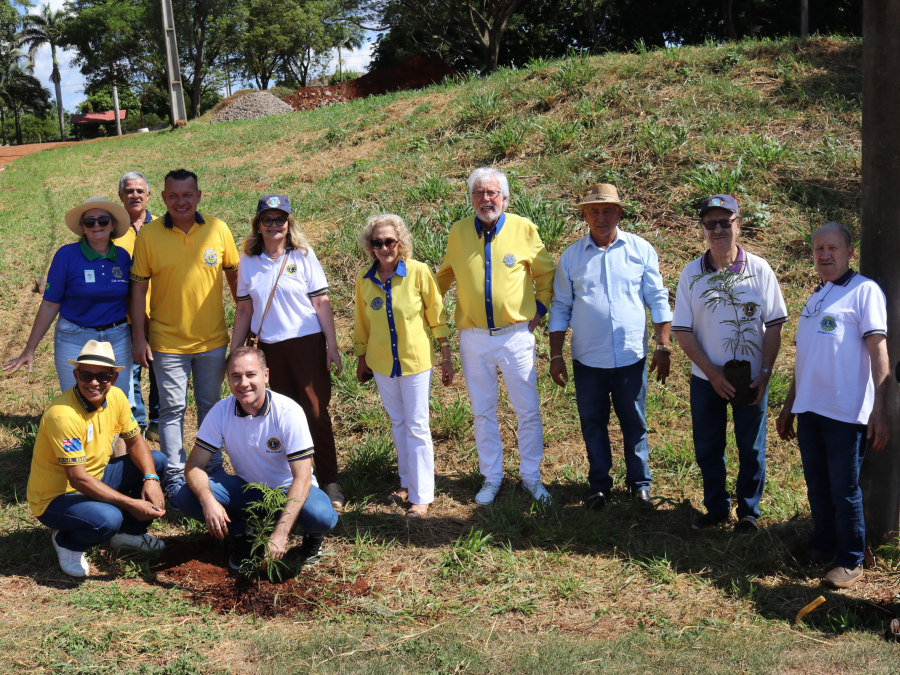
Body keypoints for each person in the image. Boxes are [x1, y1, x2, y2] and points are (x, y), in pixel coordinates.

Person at [776, 222, 889, 589]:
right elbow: (805, 358)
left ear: (849, 252)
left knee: (843, 489)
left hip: (845, 412)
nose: (824, 255)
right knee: (817, 485)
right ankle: (822, 546)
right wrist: (790, 405)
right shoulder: (816, 297)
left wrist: (879, 408)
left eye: (832, 248)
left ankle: (851, 560)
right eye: (818, 249)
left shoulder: (864, 292)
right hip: (811, 409)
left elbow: (878, 352)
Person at [435, 167, 556, 506]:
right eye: (478, 193)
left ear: (504, 198)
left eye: (492, 193)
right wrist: (419, 302)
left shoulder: (523, 228)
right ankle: (492, 477)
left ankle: (531, 477)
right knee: (483, 411)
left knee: (527, 410)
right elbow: (443, 277)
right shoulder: (458, 232)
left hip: (515, 335)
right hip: (473, 338)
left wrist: (541, 310)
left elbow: (546, 273)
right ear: (471, 198)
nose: (485, 199)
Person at [548, 184, 672, 512]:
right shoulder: (572, 257)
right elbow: (560, 307)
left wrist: (663, 345)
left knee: (634, 421)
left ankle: (640, 485)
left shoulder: (640, 250)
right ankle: (599, 485)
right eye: (593, 211)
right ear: (584, 216)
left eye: (607, 210)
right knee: (593, 423)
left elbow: (657, 297)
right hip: (588, 360)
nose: (601, 217)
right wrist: (556, 355)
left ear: (619, 213)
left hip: (631, 356)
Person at [672, 194, 788, 535]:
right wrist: (712, 372)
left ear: (739, 224)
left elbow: (775, 325)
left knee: (751, 446)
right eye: (711, 224)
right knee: (708, 445)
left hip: (751, 378)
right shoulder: (691, 273)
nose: (718, 229)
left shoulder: (760, 270)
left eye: (726, 222)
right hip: (707, 379)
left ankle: (749, 512)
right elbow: (681, 330)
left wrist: (765, 373)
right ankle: (717, 508)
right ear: (703, 230)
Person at [175, 347, 339, 571]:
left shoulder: (288, 412)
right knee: (186, 496)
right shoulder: (220, 411)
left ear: (266, 375)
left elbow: (302, 477)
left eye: (251, 374)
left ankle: (312, 537)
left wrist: (280, 533)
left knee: (321, 516)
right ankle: (243, 533)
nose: (244, 383)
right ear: (228, 379)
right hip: (248, 489)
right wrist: (208, 501)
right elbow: (194, 465)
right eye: (236, 376)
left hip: (288, 490)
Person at [130, 169, 240, 501]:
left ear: (199, 196)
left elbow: (237, 282)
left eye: (187, 195)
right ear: (163, 198)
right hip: (167, 342)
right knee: (172, 410)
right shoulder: (149, 235)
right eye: (174, 195)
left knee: (212, 406)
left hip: (213, 341)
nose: (181, 201)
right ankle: (176, 476)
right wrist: (139, 336)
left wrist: (248, 328)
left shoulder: (218, 230)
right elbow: (137, 291)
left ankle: (213, 467)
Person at [230, 195, 345, 509]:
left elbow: (321, 303)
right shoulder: (249, 260)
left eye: (280, 219)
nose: (274, 225)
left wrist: (331, 347)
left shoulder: (303, 255)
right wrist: (234, 354)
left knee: (316, 413)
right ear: (258, 225)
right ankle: (293, 482)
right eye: (267, 219)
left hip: (307, 343)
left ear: (289, 222)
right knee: (280, 417)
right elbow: (244, 310)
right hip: (269, 348)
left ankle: (330, 480)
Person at [26, 340, 167, 578]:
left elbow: (134, 441)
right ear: (75, 374)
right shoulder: (63, 415)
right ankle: (67, 541)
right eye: (86, 375)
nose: (94, 382)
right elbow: (78, 479)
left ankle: (128, 535)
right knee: (108, 518)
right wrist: (132, 504)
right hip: (56, 497)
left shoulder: (118, 398)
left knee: (157, 461)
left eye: (102, 376)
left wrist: (151, 479)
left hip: (96, 477)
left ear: (113, 377)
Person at [354, 214, 452, 518]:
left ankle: (422, 496)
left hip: (415, 362)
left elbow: (437, 314)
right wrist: (361, 358)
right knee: (398, 422)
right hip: (382, 363)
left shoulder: (419, 272)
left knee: (417, 425)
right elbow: (361, 322)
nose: (384, 247)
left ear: (400, 242)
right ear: (370, 246)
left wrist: (446, 352)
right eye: (377, 242)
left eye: (389, 241)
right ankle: (406, 482)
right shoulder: (364, 279)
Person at [3, 197, 134, 411]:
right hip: (75, 338)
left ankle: (113, 445)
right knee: (76, 403)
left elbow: (131, 299)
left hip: (117, 338)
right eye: (89, 222)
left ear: (112, 225)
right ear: (82, 228)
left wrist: (141, 337)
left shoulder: (122, 257)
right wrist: (29, 349)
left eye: (102, 220)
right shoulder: (66, 255)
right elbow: (49, 304)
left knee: (118, 402)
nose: (96, 225)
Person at [113, 171, 160, 441]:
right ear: (120, 196)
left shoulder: (162, 227)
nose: (134, 195)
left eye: (140, 191)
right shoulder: (113, 230)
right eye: (129, 191)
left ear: (149, 195)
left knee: (158, 370)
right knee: (129, 373)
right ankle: (135, 423)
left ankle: (156, 421)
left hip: (159, 313)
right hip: (124, 315)